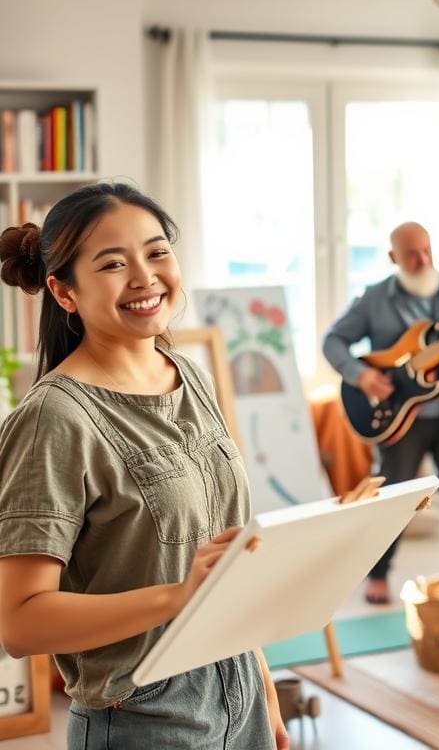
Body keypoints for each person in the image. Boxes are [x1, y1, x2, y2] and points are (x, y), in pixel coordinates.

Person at [0, 183, 288, 750]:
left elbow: (221, 553)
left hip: (239, 687)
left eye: (157, 252)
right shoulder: (54, 418)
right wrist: (177, 596)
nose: (144, 277)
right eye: (113, 264)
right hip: (144, 716)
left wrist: (263, 686)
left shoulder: (188, 375)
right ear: (64, 291)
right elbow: (20, 622)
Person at [322, 222, 439, 604]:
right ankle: (378, 574)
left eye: (426, 250)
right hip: (400, 419)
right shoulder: (374, 298)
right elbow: (332, 340)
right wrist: (361, 375)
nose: (422, 260)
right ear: (393, 257)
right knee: (391, 497)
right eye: (411, 254)